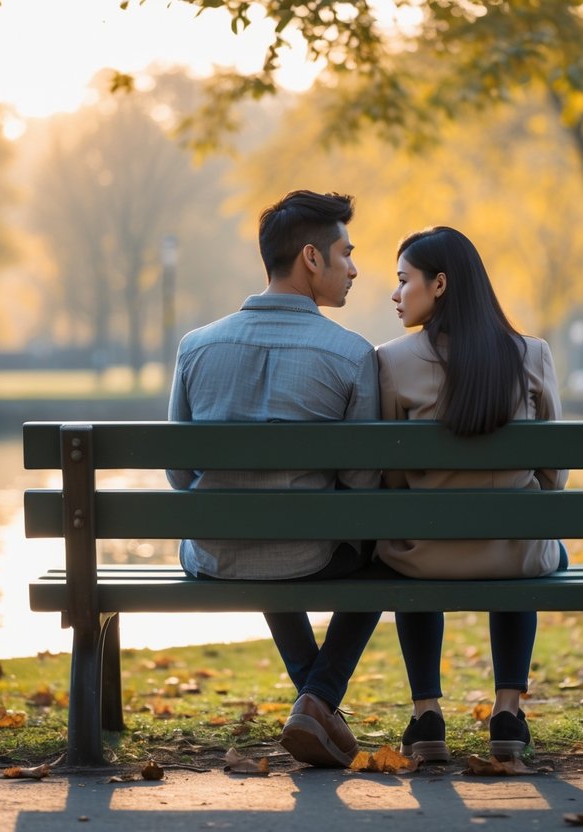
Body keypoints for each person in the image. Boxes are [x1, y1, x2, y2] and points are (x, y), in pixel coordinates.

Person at [167, 190, 381, 768]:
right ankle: (317, 699)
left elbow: (178, 473)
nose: (356, 268)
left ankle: (314, 702)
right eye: (347, 252)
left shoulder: (195, 348)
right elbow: (362, 484)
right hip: (310, 554)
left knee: (253, 520)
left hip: (214, 554)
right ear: (312, 258)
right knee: (385, 555)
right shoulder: (353, 355)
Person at [375, 226, 568, 763]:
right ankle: (507, 711)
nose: (395, 294)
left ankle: (426, 715)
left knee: (406, 552)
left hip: (425, 556)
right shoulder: (531, 354)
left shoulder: (391, 361)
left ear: (439, 285)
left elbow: (391, 480)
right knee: (529, 543)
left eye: (402, 281)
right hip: (514, 550)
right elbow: (554, 474)